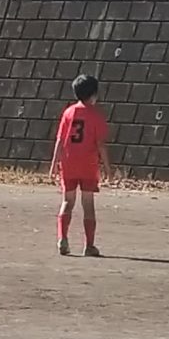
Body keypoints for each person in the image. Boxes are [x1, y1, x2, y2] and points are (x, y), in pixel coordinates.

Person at [48, 72, 112, 256]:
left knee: (67, 201)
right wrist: (108, 168)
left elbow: (60, 140)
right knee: (88, 204)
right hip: (88, 165)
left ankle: (62, 238)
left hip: (69, 162)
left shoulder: (68, 112)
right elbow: (100, 144)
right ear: (93, 94)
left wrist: (54, 163)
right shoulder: (96, 116)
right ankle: (89, 245)